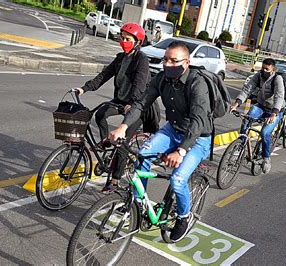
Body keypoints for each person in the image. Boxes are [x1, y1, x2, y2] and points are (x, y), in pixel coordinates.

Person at [109, 41, 212, 243]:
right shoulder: (162, 78)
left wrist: (181, 151)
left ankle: (184, 216)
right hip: (172, 130)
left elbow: (199, 120)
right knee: (142, 156)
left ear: (187, 62)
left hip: (197, 138)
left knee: (178, 179)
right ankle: (137, 205)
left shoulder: (196, 83)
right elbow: (142, 103)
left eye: (174, 61)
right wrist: (123, 126)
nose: (168, 64)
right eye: (166, 59)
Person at [76, 22, 159, 192]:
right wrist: (85, 88)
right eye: (122, 38)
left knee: (122, 143)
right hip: (121, 101)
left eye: (127, 39)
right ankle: (107, 141)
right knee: (100, 114)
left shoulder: (141, 60)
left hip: (138, 106)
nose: (123, 41)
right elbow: (104, 75)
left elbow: (139, 84)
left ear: (138, 42)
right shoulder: (121, 58)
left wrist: (132, 103)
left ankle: (114, 181)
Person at [231, 58, 285, 174]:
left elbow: (279, 97)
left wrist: (274, 113)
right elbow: (247, 89)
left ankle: (266, 158)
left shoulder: (277, 79)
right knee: (247, 119)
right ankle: (239, 147)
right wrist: (237, 103)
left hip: (275, 110)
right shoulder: (258, 76)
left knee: (265, 132)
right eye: (263, 68)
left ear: (273, 69)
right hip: (261, 106)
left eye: (267, 69)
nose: (264, 71)